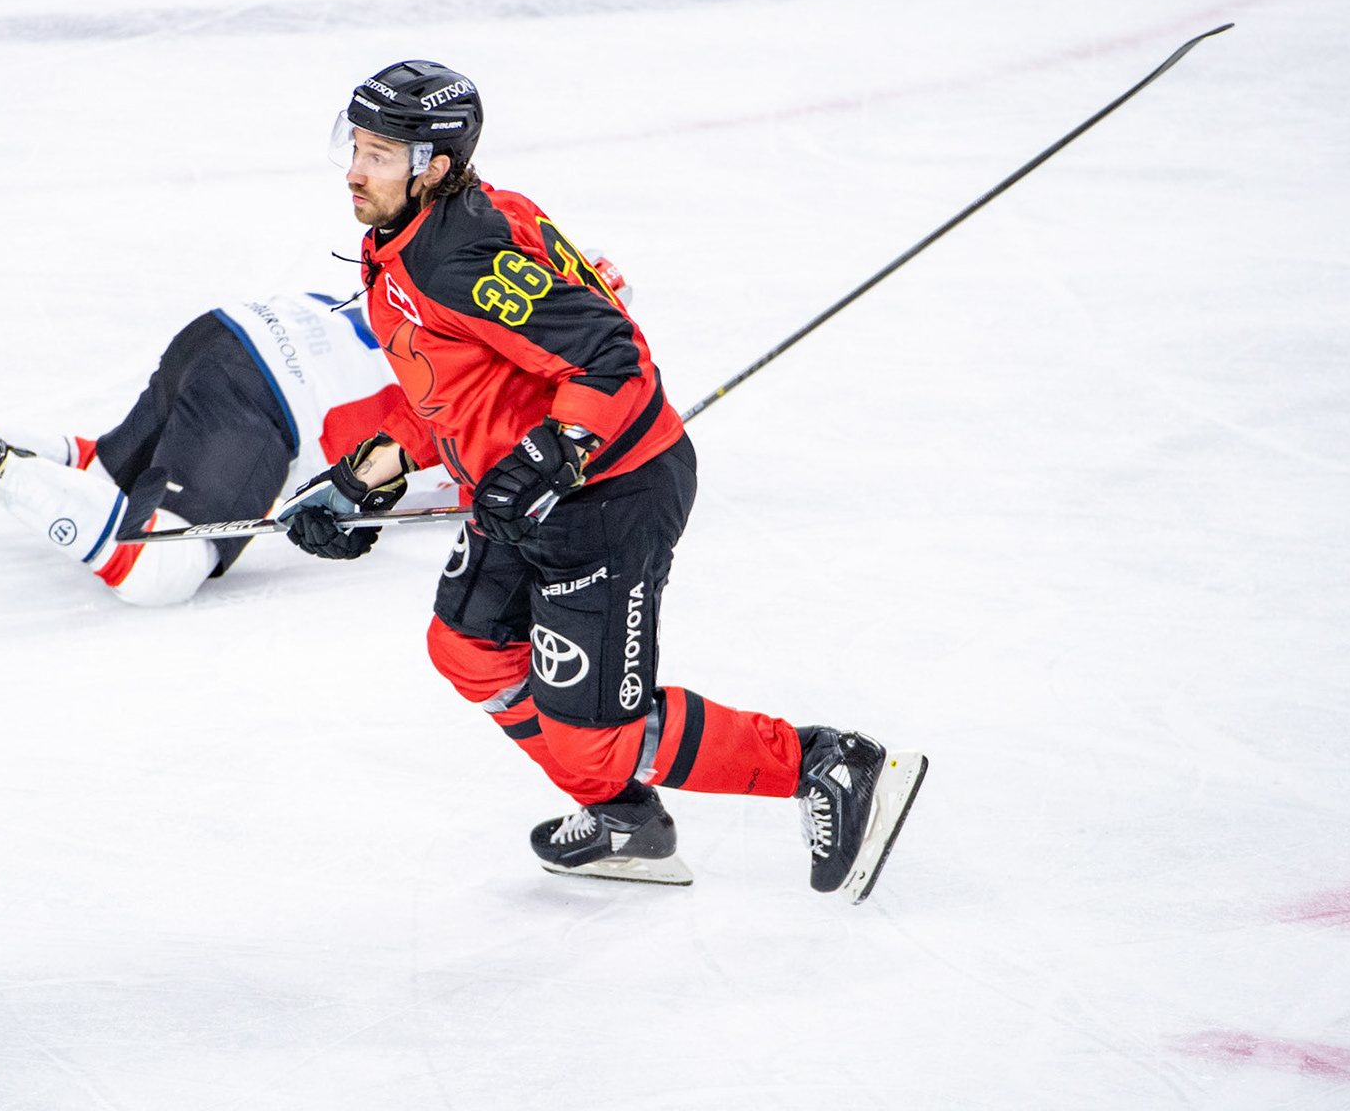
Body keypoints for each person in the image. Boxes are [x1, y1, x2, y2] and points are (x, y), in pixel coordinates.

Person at [276, 61, 926, 899]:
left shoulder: (460, 254)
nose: (354, 170)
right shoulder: (406, 242)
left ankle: (827, 764)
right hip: (526, 495)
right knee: (470, 645)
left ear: (434, 164)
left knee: (595, 740)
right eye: (353, 145)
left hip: (609, 497)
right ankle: (626, 822)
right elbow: (453, 388)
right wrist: (365, 477)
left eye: (377, 152)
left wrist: (557, 453)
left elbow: (613, 359)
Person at [0, 292, 459, 606]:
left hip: (231, 333)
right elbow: (375, 467)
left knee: (110, 483)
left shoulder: (472, 319)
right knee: (156, 573)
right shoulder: (492, 422)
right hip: (268, 396)